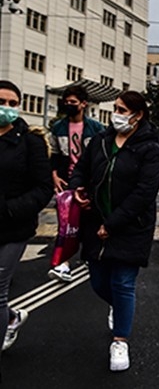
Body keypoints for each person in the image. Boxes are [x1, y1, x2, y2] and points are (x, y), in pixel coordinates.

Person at [69, 91, 159, 371]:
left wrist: (113, 225)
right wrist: (78, 187)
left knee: (123, 282)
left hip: (130, 226)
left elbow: (145, 191)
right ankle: (121, 308)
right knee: (99, 282)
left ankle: (120, 340)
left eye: (123, 109)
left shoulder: (150, 148)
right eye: (116, 108)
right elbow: (81, 170)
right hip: (95, 221)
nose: (117, 114)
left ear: (138, 115)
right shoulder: (100, 141)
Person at [0, 81, 53, 364]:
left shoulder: (30, 141)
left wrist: (10, 209)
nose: (6, 108)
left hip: (13, 227)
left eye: (12, 103)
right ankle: (12, 317)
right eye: (1, 101)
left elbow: (43, 188)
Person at [47, 85, 104, 282]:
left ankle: (91, 256)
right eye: (67, 102)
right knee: (66, 224)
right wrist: (54, 175)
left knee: (88, 221)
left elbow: (100, 156)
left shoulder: (96, 129)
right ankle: (64, 263)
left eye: (73, 102)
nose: (69, 105)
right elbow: (54, 155)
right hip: (67, 182)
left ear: (83, 104)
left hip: (89, 182)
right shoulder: (58, 128)